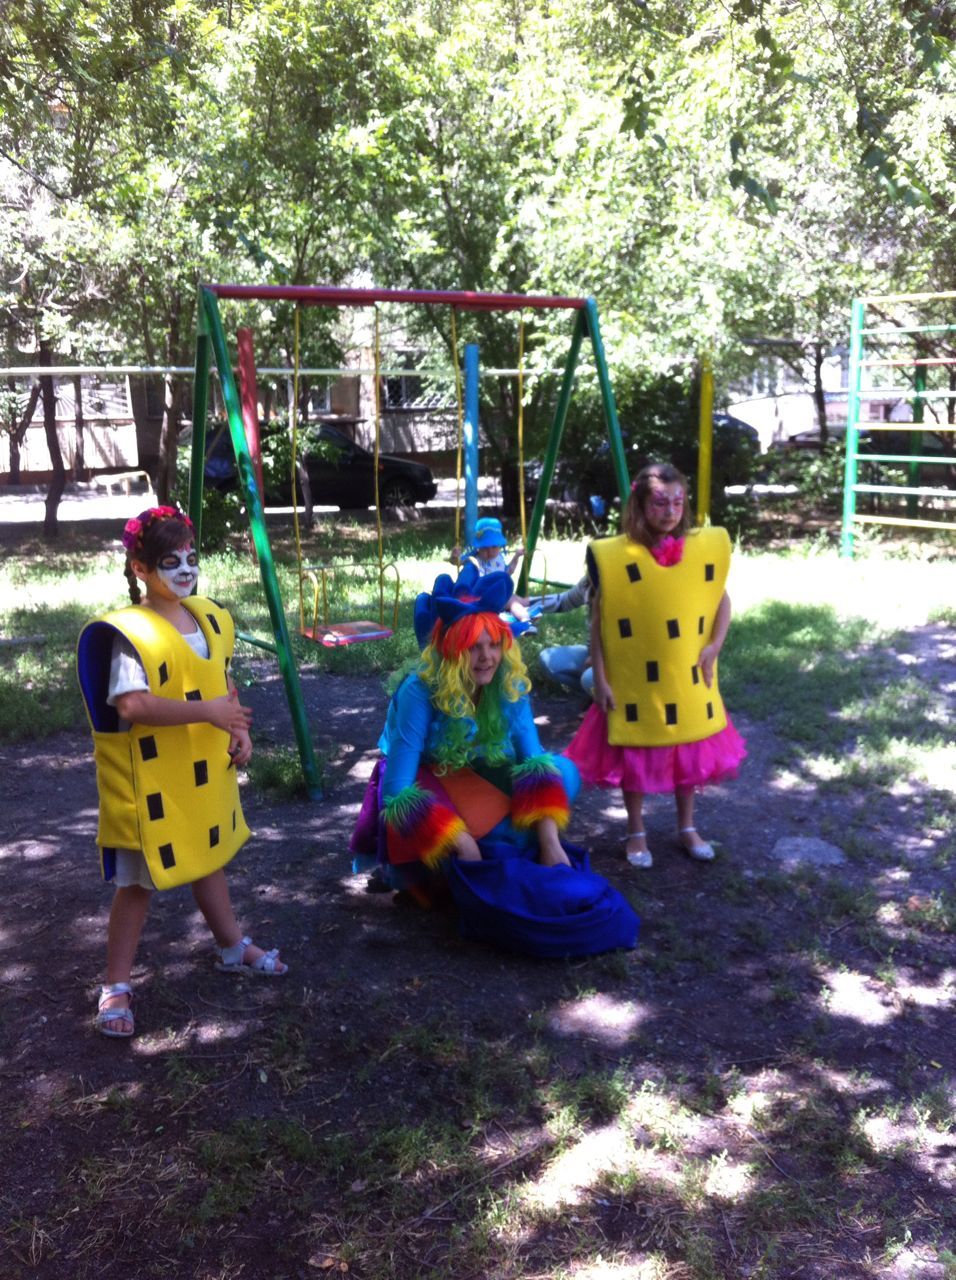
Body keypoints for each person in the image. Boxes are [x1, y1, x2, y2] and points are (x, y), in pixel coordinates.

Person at [350, 563, 638, 957]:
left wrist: (551, 844)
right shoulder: (419, 691)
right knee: (482, 839)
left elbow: (534, 761)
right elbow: (396, 791)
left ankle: (507, 844)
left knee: (565, 773)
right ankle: (451, 860)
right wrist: (460, 840)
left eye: (494, 644)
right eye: (473, 647)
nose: (487, 657)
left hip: (481, 767)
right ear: (452, 652)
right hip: (427, 775)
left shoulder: (507, 681)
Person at [77, 505, 287, 1040]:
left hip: (202, 771)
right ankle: (116, 984)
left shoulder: (208, 618)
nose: (186, 569)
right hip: (151, 783)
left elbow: (219, 679)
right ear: (141, 568)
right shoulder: (133, 633)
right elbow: (132, 704)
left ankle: (231, 946)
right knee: (138, 883)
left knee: (207, 856)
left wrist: (236, 728)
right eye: (171, 561)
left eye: (191, 557)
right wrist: (206, 713)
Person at [565, 463, 746, 869]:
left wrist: (714, 647)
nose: (670, 511)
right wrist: (601, 678)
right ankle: (636, 831)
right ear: (640, 505)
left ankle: (687, 827)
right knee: (635, 753)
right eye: (660, 503)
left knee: (687, 752)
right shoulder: (616, 558)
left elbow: (721, 601)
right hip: (635, 680)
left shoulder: (699, 552)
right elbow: (599, 623)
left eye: (678, 502)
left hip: (685, 676)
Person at [451, 516, 533, 626]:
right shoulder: (474, 559)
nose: (490, 552)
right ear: (478, 547)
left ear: (499, 546)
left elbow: (508, 571)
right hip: (482, 598)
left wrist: (517, 556)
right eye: (485, 548)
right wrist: (455, 557)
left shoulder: (499, 559)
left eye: (494, 547)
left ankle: (537, 602)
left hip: (498, 595)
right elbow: (458, 561)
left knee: (517, 599)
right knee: (512, 601)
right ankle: (526, 620)